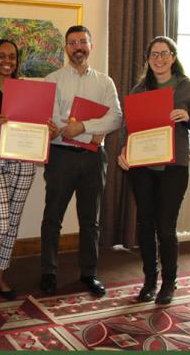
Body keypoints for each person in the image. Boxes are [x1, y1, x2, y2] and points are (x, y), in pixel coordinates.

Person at [0, 39, 58, 305]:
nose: (7, 60)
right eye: (2, 55)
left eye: (13, 57)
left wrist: (47, 130)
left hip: (24, 156)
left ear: (17, 61)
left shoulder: (27, 89)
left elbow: (37, 124)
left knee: (13, 222)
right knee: (0, 223)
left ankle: (0, 276)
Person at [117, 36, 190, 304]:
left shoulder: (187, 88)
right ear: (147, 58)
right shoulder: (138, 90)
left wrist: (187, 119)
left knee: (166, 228)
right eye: (154, 54)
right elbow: (128, 129)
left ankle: (169, 283)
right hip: (142, 167)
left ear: (173, 56)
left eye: (164, 53)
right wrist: (124, 152)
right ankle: (149, 281)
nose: (159, 58)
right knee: (145, 225)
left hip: (174, 166)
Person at [39, 25, 122, 297]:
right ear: (66, 47)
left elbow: (116, 118)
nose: (78, 47)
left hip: (93, 159)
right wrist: (75, 128)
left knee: (91, 220)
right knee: (53, 218)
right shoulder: (52, 79)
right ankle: (48, 274)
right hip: (61, 157)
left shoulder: (104, 82)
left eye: (83, 42)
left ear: (91, 45)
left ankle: (89, 273)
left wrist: (82, 125)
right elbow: (54, 120)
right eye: (73, 43)